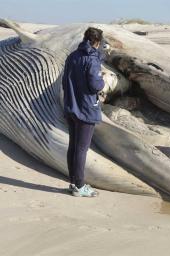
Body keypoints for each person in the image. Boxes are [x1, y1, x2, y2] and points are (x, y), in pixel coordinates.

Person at [62, 27, 105, 197]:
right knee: (81, 149)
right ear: (97, 42)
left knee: (73, 146)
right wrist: (102, 83)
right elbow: (95, 85)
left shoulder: (73, 56)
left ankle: (73, 183)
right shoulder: (92, 60)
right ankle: (80, 186)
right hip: (86, 109)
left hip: (71, 107)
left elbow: (66, 82)